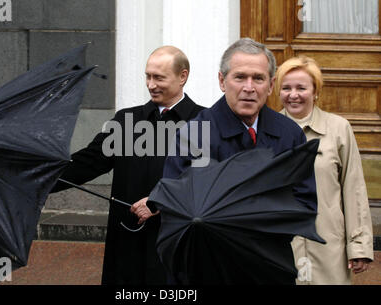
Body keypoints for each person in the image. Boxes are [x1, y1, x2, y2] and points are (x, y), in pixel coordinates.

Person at [162, 38, 318, 284]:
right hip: (206, 270)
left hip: (268, 267)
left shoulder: (289, 134)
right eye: (240, 77)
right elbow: (175, 208)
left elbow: (305, 202)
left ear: (271, 85)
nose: (249, 87)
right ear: (222, 81)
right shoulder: (194, 134)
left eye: (258, 78)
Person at [51, 46, 205, 285]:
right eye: (148, 76)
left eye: (159, 77)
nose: (151, 84)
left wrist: (160, 202)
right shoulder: (126, 121)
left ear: (182, 76)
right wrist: (35, 176)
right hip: (128, 244)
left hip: (179, 244)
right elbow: (86, 163)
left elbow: (207, 182)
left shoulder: (203, 122)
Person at [276, 55, 373, 284]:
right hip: (281, 246)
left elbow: (353, 187)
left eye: (302, 88)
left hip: (329, 247)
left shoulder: (339, 128)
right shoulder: (268, 129)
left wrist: (359, 245)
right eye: (286, 88)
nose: (293, 94)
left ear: (316, 91)